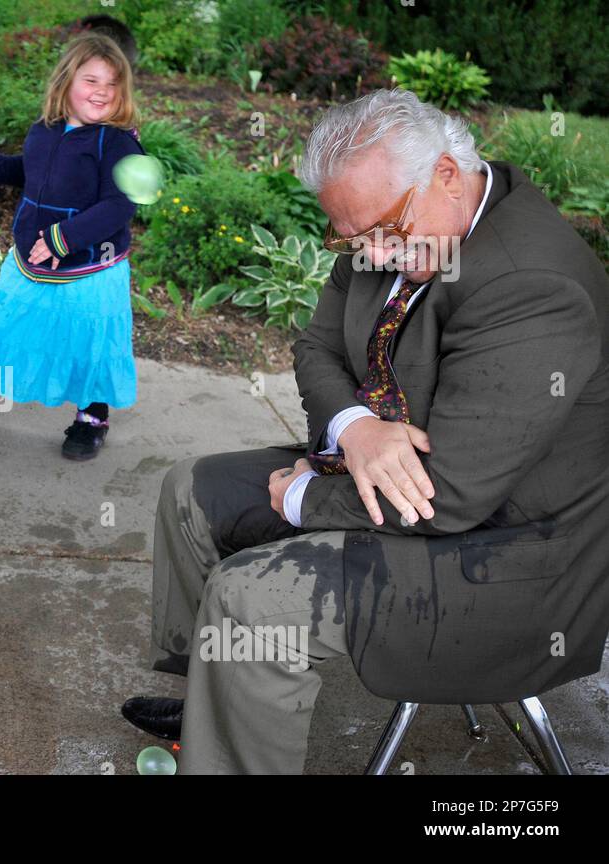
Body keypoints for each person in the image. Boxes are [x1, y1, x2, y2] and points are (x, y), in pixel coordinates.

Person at [122, 88, 609, 773]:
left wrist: (300, 499)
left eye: (385, 232)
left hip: (507, 553)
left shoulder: (532, 285)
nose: (372, 253)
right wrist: (354, 428)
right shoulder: (385, 214)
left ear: (445, 173)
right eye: (352, 240)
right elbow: (314, 346)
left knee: (252, 598)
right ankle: (212, 700)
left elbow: (452, 494)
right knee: (189, 492)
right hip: (386, 473)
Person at [0, 33, 142, 461]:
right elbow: (28, 172)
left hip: (90, 268)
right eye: (91, 80)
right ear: (65, 81)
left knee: (89, 342)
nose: (102, 91)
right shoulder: (44, 130)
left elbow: (120, 205)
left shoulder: (117, 142)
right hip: (29, 257)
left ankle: (91, 418)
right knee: (8, 327)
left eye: (112, 83)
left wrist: (63, 239)